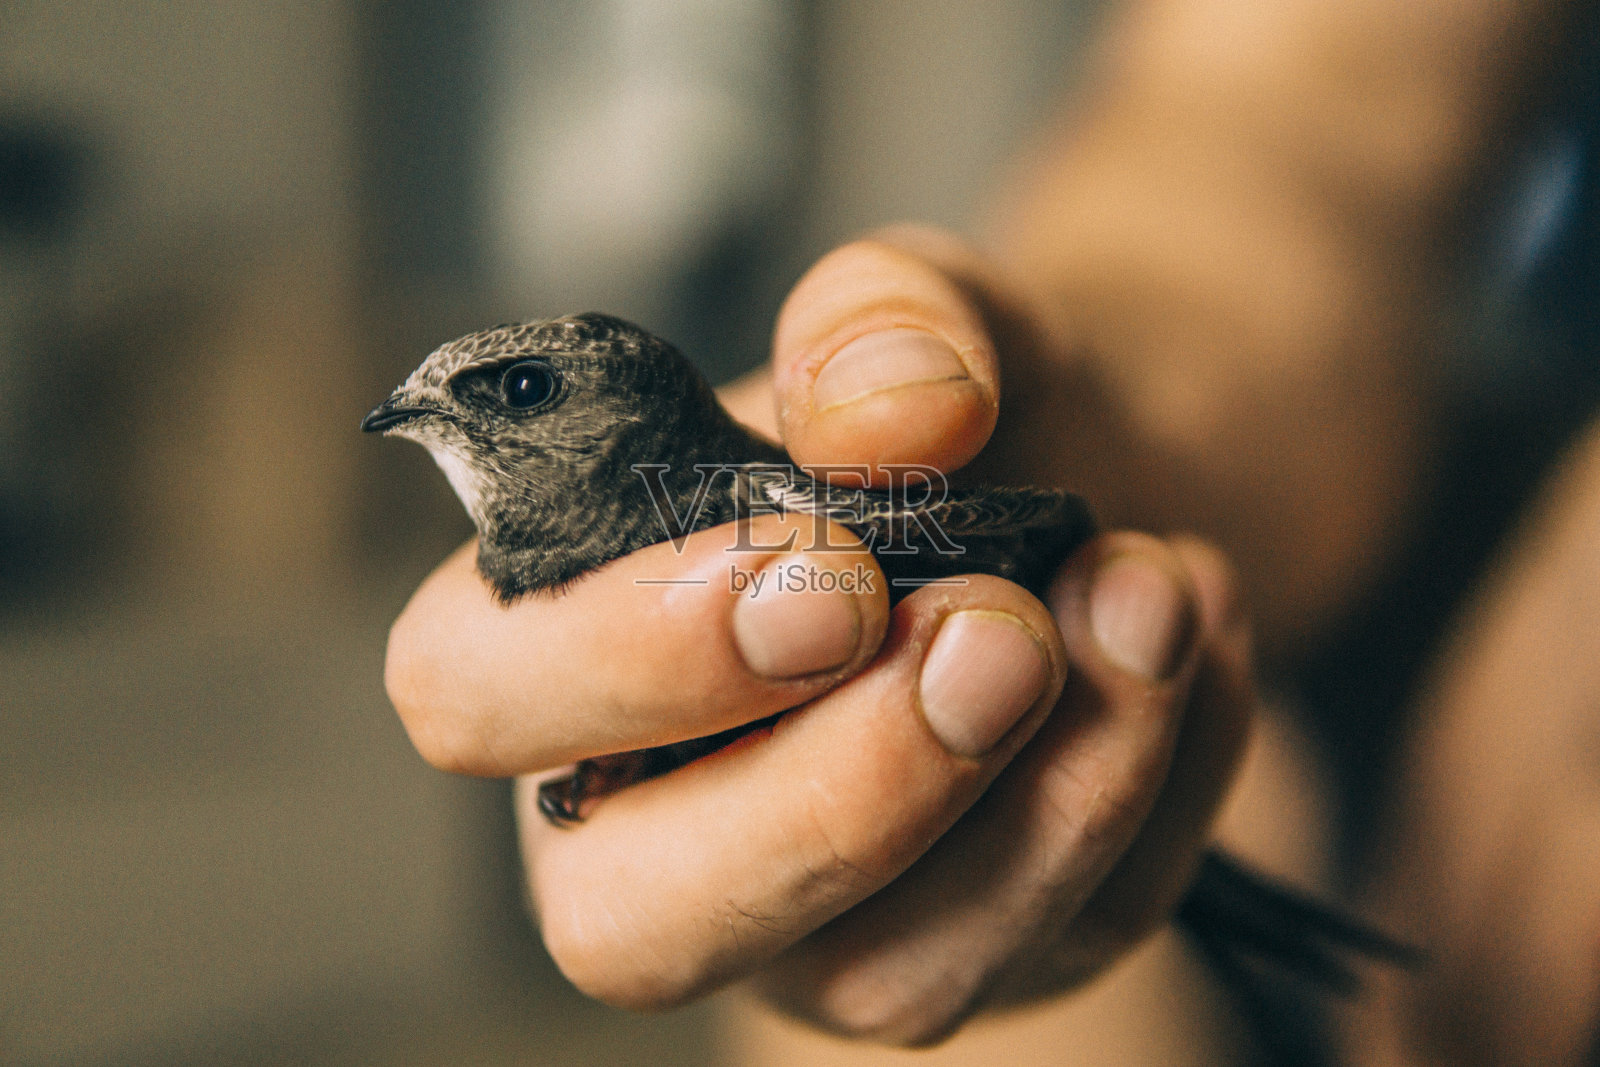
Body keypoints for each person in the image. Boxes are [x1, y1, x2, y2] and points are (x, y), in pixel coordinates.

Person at [381, 0, 1600, 1062]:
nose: (432, 416)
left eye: (516, 394)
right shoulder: (669, 527)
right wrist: (1080, 417)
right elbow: (1298, 124)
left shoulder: (732, 512)